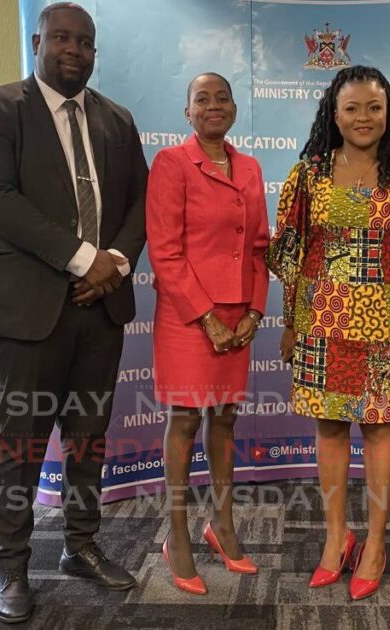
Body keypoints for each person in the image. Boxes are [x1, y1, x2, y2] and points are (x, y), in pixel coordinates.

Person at [0, 2, 147, 623]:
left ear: (95, 51)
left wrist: (112, 261)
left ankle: (81, 546)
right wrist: (80, 258)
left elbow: (140, 202)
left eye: (85, 41)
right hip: (27, 309)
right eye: (62, 37)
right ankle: (10, 563)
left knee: (88, 439)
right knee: (24, 441)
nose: (74, 49)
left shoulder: (117, 119)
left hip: (101, 307)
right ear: (37, 41)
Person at [268, 65, 390, 600]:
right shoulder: (308, 174)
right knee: (329, 428)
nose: (363, 118)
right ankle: (336, 538)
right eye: (351, 108)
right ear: (334, 114)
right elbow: (292, 255)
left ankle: (374, 543)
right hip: (320, 320)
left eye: (374, 107)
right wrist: (288, 323)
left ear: (389, 112)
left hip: (386, 327)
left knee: (377, 430)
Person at [145, 72, 269, 595]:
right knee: (186, 421)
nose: (213, 106)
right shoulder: (172, 164)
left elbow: (260, 247)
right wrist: (208, 318)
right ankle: (177, 535)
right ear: (187, 112)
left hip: (239, 316)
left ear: (234, 109)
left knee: (226, 421)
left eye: (222, 98)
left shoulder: (250, 166)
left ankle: (222, 526)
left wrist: (255, 313)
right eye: (202, 99)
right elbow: (165, 252)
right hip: (189, 316)